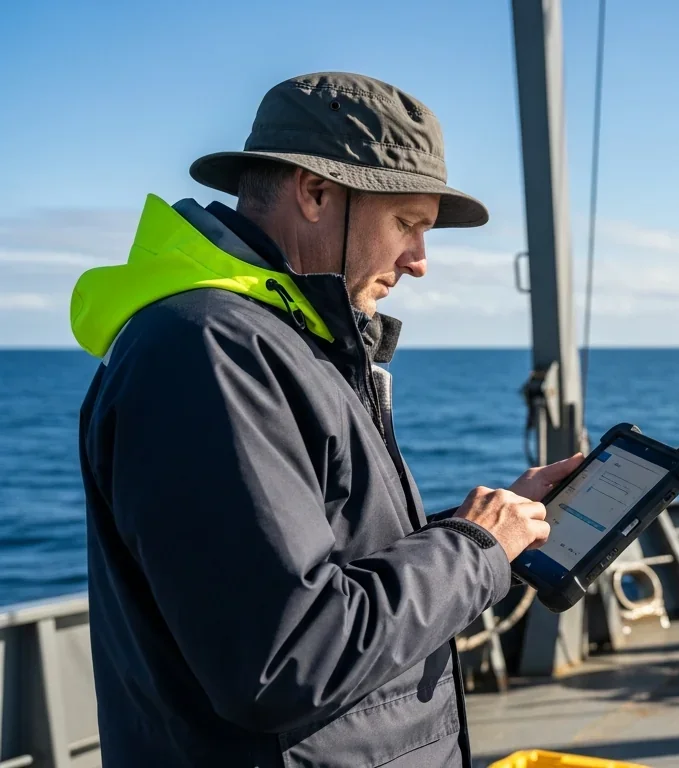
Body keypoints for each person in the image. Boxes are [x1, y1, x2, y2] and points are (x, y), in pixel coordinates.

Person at [70, 72, 580, 767]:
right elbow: (287, 657)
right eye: (407, 224)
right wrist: (474, 548)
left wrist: (496, 535)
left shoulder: (279, 340)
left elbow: (331, 566)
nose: (419, 262)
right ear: (314, 193)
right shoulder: (209, 352)